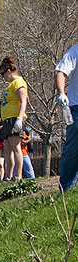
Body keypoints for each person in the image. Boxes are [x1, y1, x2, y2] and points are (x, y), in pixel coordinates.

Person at [0, 55, 27, 181]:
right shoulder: (9, 85)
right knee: (7, 148)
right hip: (7, 118)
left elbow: (23, 101)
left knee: (16, 147)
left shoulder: (18, 82)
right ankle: (8, 176)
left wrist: (19, 119)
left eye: (2, 74)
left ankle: (18, 175)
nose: (2, 77)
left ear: (8, 71)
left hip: (15, 117)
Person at [56, 43, 78, 191]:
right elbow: (61, 72)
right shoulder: (76, 50)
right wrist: (61, 93)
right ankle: (66, 189)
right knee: (72, 150)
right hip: (76, 108)